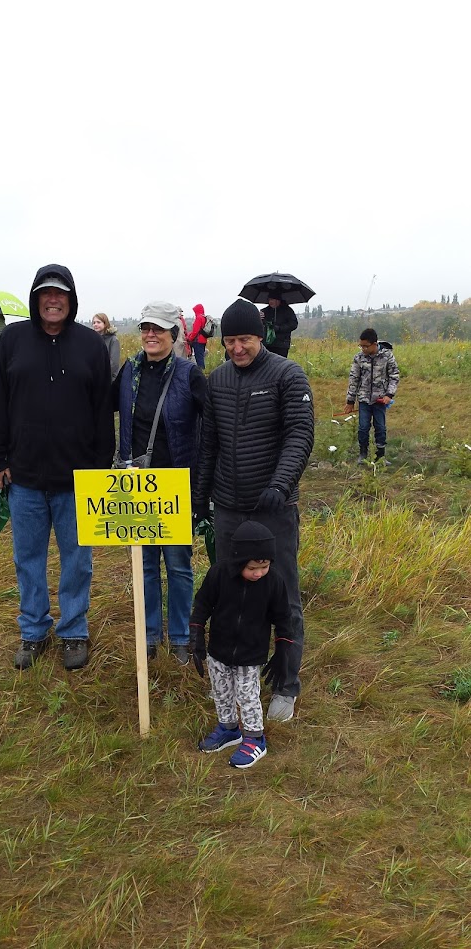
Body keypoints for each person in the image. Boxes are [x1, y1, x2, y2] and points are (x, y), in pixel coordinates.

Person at [0, 264, 114, 671]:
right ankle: (34, 631)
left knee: (77, 560)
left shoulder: (91, 345)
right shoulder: (13, 340)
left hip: (77, 478)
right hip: (24, 477)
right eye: (45, 293)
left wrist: (100, 467)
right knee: (28, 559)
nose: (53, 300)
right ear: (35, 298)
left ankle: (73, 630)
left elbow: (102, 411)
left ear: (71, 300)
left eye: (60, 294)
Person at [192, 298, 314, 721]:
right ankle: (237, 672)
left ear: (260, 337)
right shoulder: (218, 379)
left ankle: (286, 684)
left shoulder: (287, 375)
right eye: (229, 341)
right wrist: (200, 497)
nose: (237, 348)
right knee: (231, 593)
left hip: (273, 509)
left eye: (244, 339)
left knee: (282, 595)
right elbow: (209, 443)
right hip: (229, 507)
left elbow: (300, 433)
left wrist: (280, 484)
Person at [114, 301, 206, 663]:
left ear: (174, 334)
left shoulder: (189, 374)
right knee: (145, 564)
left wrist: (202, 483)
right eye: (146, 328)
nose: (150, 335)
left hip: (175, 486)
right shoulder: (129, 370)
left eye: (158, 329)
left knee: (179, 565)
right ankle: (150, 635)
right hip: (137, 486)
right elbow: (101, 406)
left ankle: (181, 637)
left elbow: (211, 425)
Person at [190, 521, 298, 768]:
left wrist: (283, 649)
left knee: (247, 696)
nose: (258, 573)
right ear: (238, 561)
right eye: (252, 568)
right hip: (218, 650)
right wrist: (196, 633)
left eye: (264, 566)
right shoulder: (219, 574)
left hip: (251, 654)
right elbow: (203, 604)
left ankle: (254, 738)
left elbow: (283, 617)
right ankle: (229, 729)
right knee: (221, 692)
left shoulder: (274, 582)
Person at [344, 328, 400, 463]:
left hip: (380, 400)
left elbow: (394, 376)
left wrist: (389, 395)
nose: (363, 349)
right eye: (361, 346)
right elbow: (354, 379)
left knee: (380, 427)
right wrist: (350, 401)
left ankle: (380, 456)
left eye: (366, 346)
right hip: (363, 399)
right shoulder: (358, 358)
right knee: (363, 427)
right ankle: (363, 454)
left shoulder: (387, 356)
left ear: (375, 344)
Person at [261, 292, 298, 358]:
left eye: (272, 299)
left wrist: (279, 328)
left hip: (282, 344)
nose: (270, 302)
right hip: (267, 344)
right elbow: (260, 326)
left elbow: (293, 324)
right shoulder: (264, 311)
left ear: (278, 300)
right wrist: (258, 318)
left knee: (280, 363)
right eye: (269, 300)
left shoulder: (288, 311)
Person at [92, 313, 121, 381]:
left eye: (98, 322)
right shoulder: (93, 340)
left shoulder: (113, 340)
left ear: (105, 324)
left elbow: (114, 364)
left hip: (109, 379)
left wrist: (100, 375)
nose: (95, 324)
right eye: (94, 323)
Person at [186, 303, 208, 369]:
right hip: (203, 340)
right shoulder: (204, 317)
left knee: (199, 359)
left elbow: (195, 331)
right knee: (201, 357)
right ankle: (202, 370)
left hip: (198, 341)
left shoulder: (198, 318)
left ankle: (201, 372)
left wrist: (190, 338)